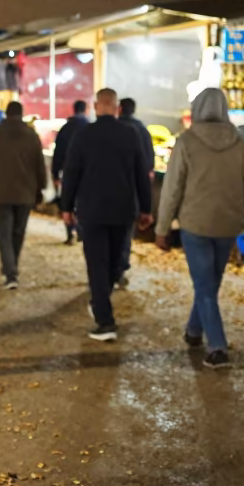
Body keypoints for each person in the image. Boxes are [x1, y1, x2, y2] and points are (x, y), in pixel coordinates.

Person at [154, 89, 244, 368]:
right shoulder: (238, 142)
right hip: (229, 223)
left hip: (196, 224)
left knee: (204, 286)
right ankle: (193, 331)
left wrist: (162, 227)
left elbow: (172, 188)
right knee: (209, 284)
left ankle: (217, 347)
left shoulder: (187, 141)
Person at [60, 89, 152, 342]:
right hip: (122, 209)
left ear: (96, 106)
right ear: (116, 107)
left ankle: (105, 320)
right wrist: (146, 208)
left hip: (91, 210)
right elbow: (141, 174)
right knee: (113, 262)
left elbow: (71, 173)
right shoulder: (130, 134)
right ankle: (102, 306)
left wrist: (66, 207)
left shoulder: (83, 135)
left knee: (96, 264)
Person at [0, 101, 47, 289]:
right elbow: (39, 165)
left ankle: (10, 273)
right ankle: (12, 266)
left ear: (6, 114)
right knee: (18, 233)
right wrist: (40, 189)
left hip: (0, 192)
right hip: (25, 193)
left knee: (4, 234)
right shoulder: (31, 136)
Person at [116, 97, 157, 288]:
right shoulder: (141, 130)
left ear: (119, 109)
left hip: (112, 186)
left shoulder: (113, 129)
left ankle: (108, 269)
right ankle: (120, 268)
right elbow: (149, 163)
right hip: (132, 188)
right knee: (126, 230)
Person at [51, 100, 90, 245]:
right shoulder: (89, 127)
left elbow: (58, 152)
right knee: (82, 201)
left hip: (67, 171)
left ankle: (70, 233)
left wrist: (55, 174)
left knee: (67, 201)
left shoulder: (65, 128)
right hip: (86, 173)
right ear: (86, 110)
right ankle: (81, 230)